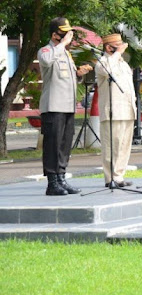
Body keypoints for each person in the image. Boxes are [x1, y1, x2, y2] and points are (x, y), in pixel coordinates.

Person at [37, 17, 93, 195]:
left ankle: (61, 178)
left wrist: (78, 74)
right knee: (52, 145)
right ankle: (52, 182)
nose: (68, 36)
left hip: (68, 106)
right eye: (64, 33)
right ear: (55, 35)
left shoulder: (66, 54)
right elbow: (46, 62)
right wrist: (64, 44)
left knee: (64, 145)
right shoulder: (46, 50)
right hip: (53, 106)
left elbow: (66, 78)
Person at [95, 33, 137, 187]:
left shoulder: (123, 63)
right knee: (111, 146)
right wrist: (118, 53)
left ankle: (119, 176)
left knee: (124, 145)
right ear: (108, 47)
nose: (122, 47)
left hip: (127, 109)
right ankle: (110, 178)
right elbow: (107, 71)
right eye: (118, 44)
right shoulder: (103, 62)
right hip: (113, 111)